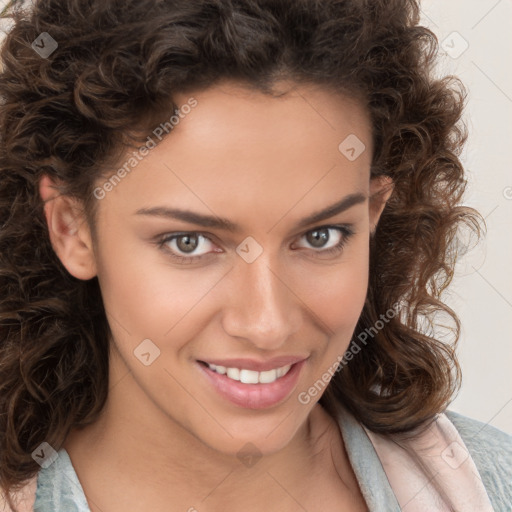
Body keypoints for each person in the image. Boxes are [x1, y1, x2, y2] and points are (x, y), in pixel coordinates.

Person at [0, 0, 511, 511]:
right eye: (190, 243)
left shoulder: (492, 485)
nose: (267, 324)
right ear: (72, 230)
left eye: (320, 236)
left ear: (373, 213)